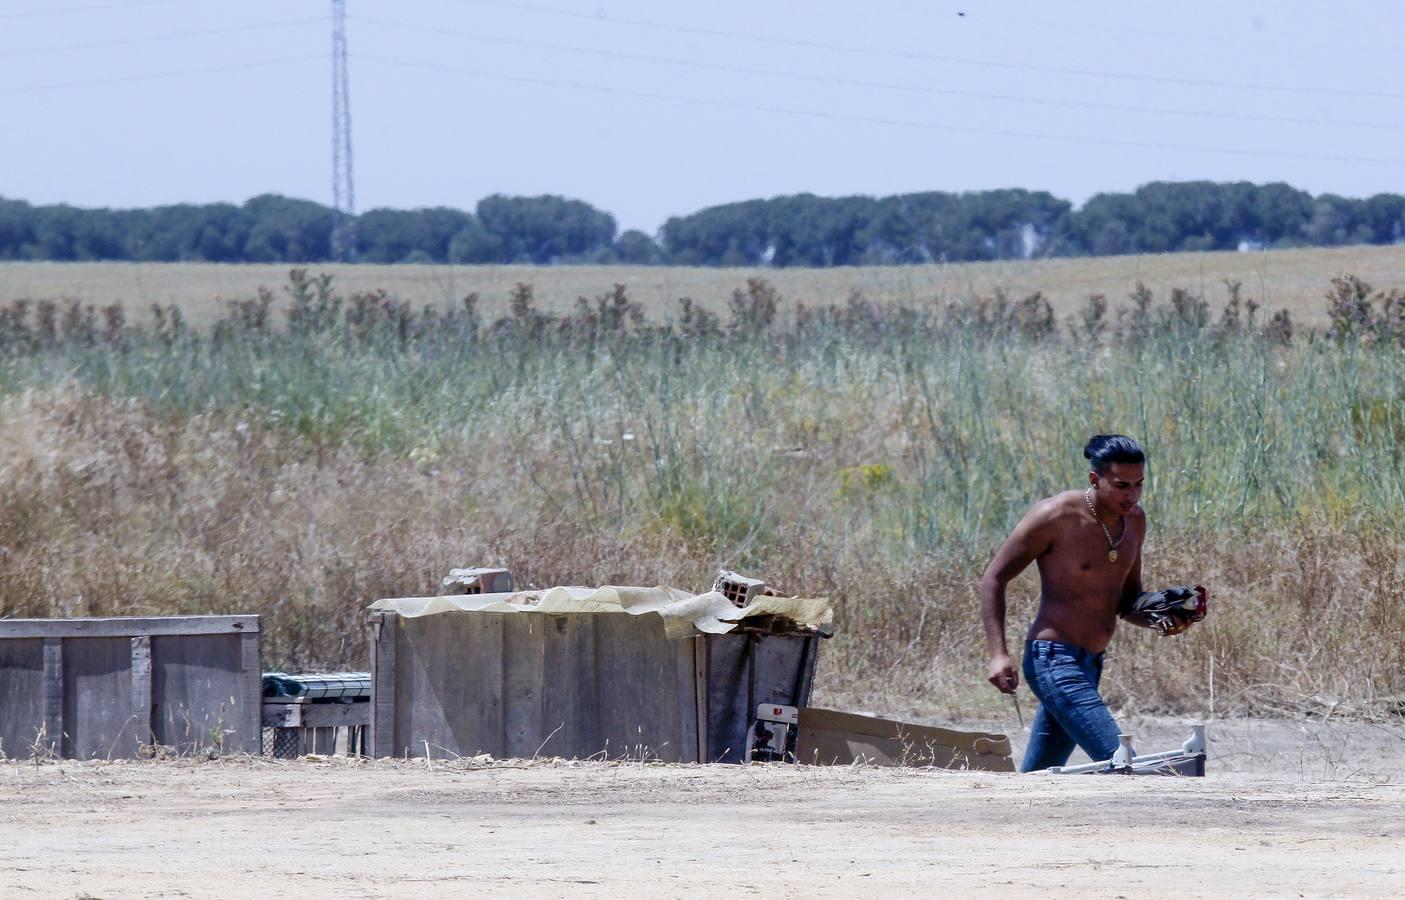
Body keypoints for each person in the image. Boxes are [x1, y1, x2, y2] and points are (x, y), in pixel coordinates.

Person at [978, 434, 1207, 772]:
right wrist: (998, 654)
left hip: (1090, 664)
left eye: (1139, 484)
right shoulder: (1055, 515)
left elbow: (1127, 601)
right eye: (1121, 485)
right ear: (1094, 479)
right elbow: (992, 579)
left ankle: (1001, 821)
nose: (1131, 495)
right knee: (1122, 762)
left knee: (1039, 779)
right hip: (1052, 660)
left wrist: (1164, 617)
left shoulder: (1135, 522)